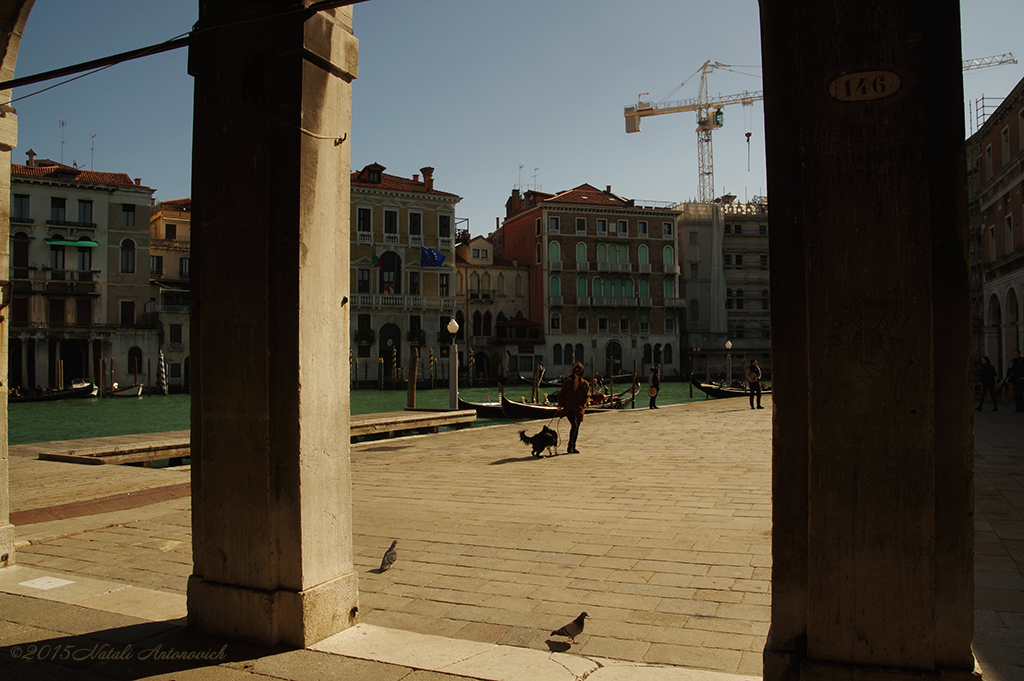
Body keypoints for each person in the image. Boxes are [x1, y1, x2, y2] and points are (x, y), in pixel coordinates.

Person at [556, 361, 590, 454]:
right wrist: (560, 405)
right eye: (576, 372)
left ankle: (573, 446)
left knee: (577, 427)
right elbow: (562, 394)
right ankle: (570, 447)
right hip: (569, 408)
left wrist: (582, 406)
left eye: (579, 372)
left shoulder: (585, 384)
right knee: (574, 425)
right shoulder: (568, 382)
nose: (577, 374)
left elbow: (586, 397)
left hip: (578, 409)